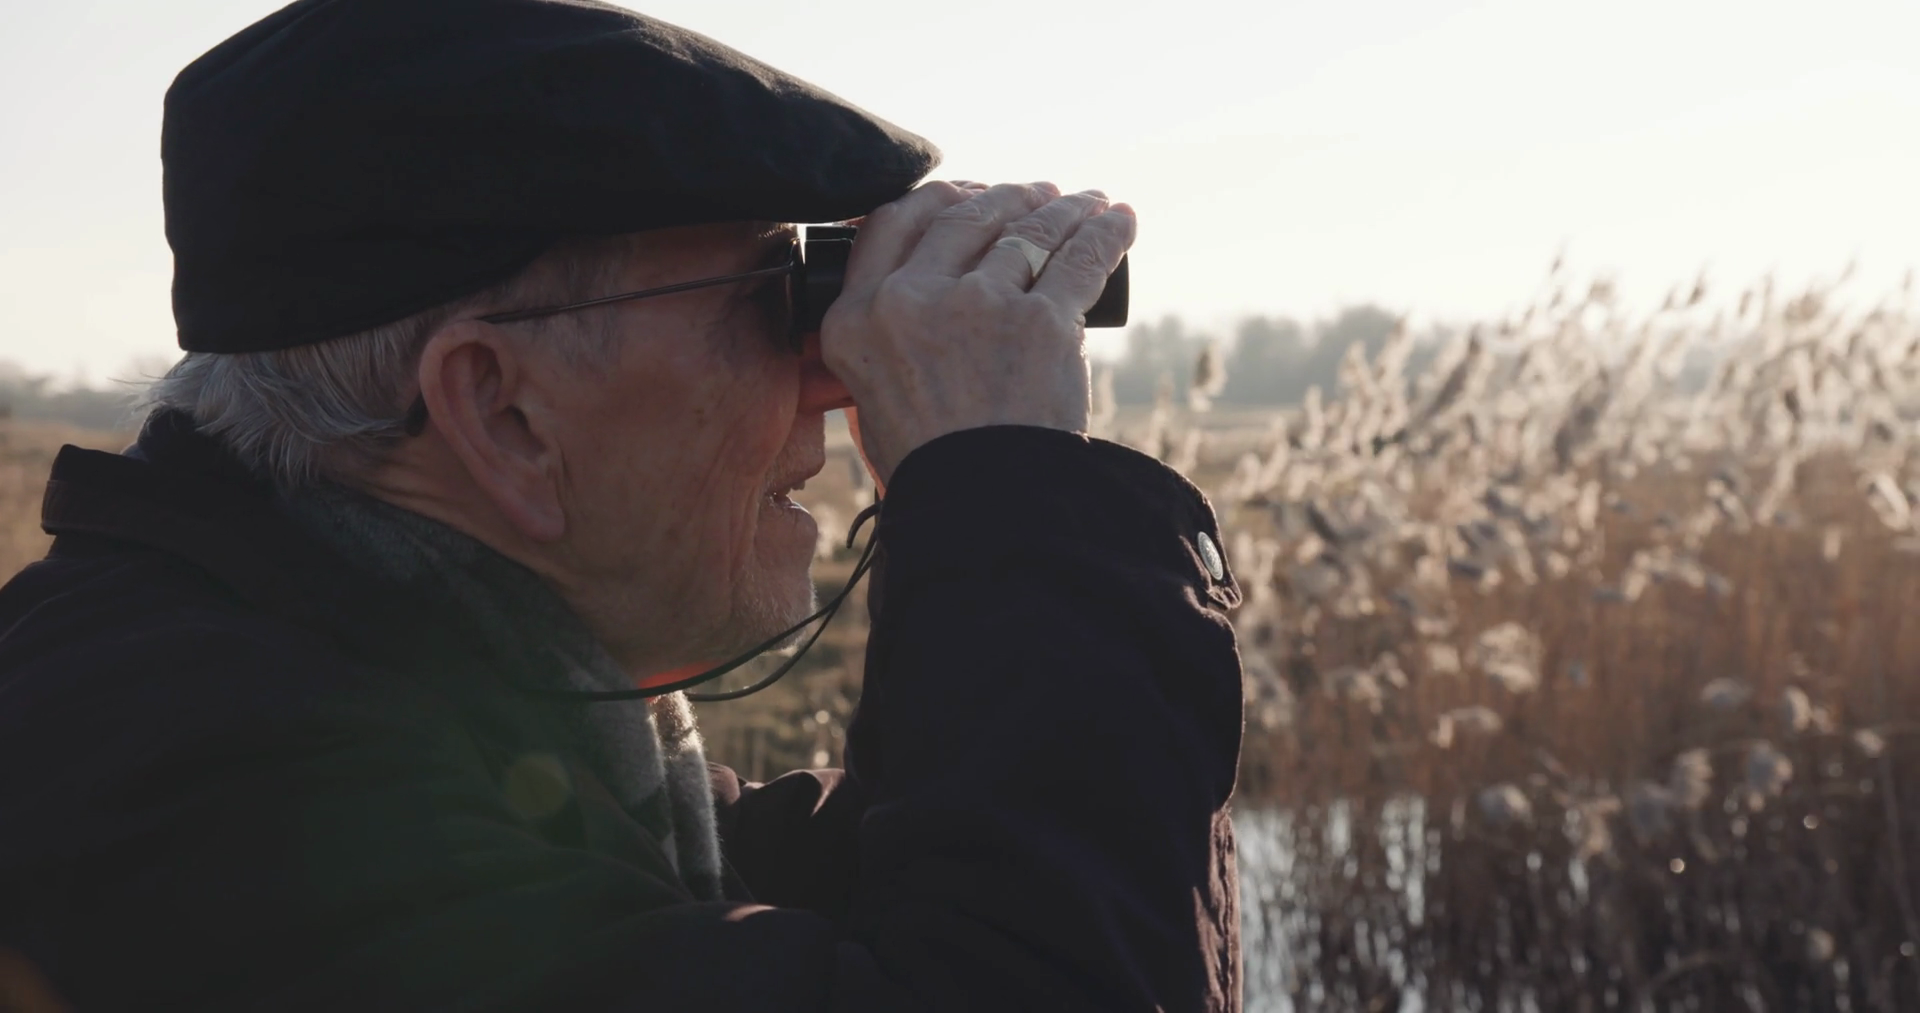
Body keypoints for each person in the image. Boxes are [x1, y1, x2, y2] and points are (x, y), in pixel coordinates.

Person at [0, 0, 1246, 1009]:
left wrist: (1003, 547)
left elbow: (870, 914)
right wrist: (1010, 495)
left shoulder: (355, 683)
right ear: (504, 411)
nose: (834, 369)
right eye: (776, 293)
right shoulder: (216, 795)